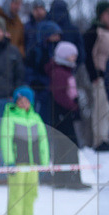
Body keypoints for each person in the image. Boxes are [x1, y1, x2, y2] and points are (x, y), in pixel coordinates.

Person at [0, 86, 48, 215]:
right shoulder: (10, 116)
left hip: (33, 164)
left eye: (26, 100)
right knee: (17, 192)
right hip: (17, 162)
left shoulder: (36, 118)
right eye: (20, 100)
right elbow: (5, 140)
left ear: (31, 102)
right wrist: (9, 160)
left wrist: (44, 161)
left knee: (31, 192)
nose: (23, 103)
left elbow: (43, 141)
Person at [47, 41, 90, 189]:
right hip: (62, 114)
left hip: (65, 113)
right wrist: (73, 107)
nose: (74, 58)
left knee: (64, 146)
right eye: (72, 55)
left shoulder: (65, 70)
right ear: (64, 55)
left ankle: (62, 179)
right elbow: (59, 94)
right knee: (70, 146)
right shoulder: (59, 72)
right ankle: (72, 180)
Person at [25, 19, 62, 123]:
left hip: (54, 92)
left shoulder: (58, 49)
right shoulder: (36, 51)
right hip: (40, 91)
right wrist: (34, 82)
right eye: (55, 35)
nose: (57, 38)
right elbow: (29, 70)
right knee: (39, 119)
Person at [84, 1, 109, 151]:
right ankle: (100, 140)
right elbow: (88, 56)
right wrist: (94, 76)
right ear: (101, 15)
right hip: (99, 75)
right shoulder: (93, 31)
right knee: (101, 108)